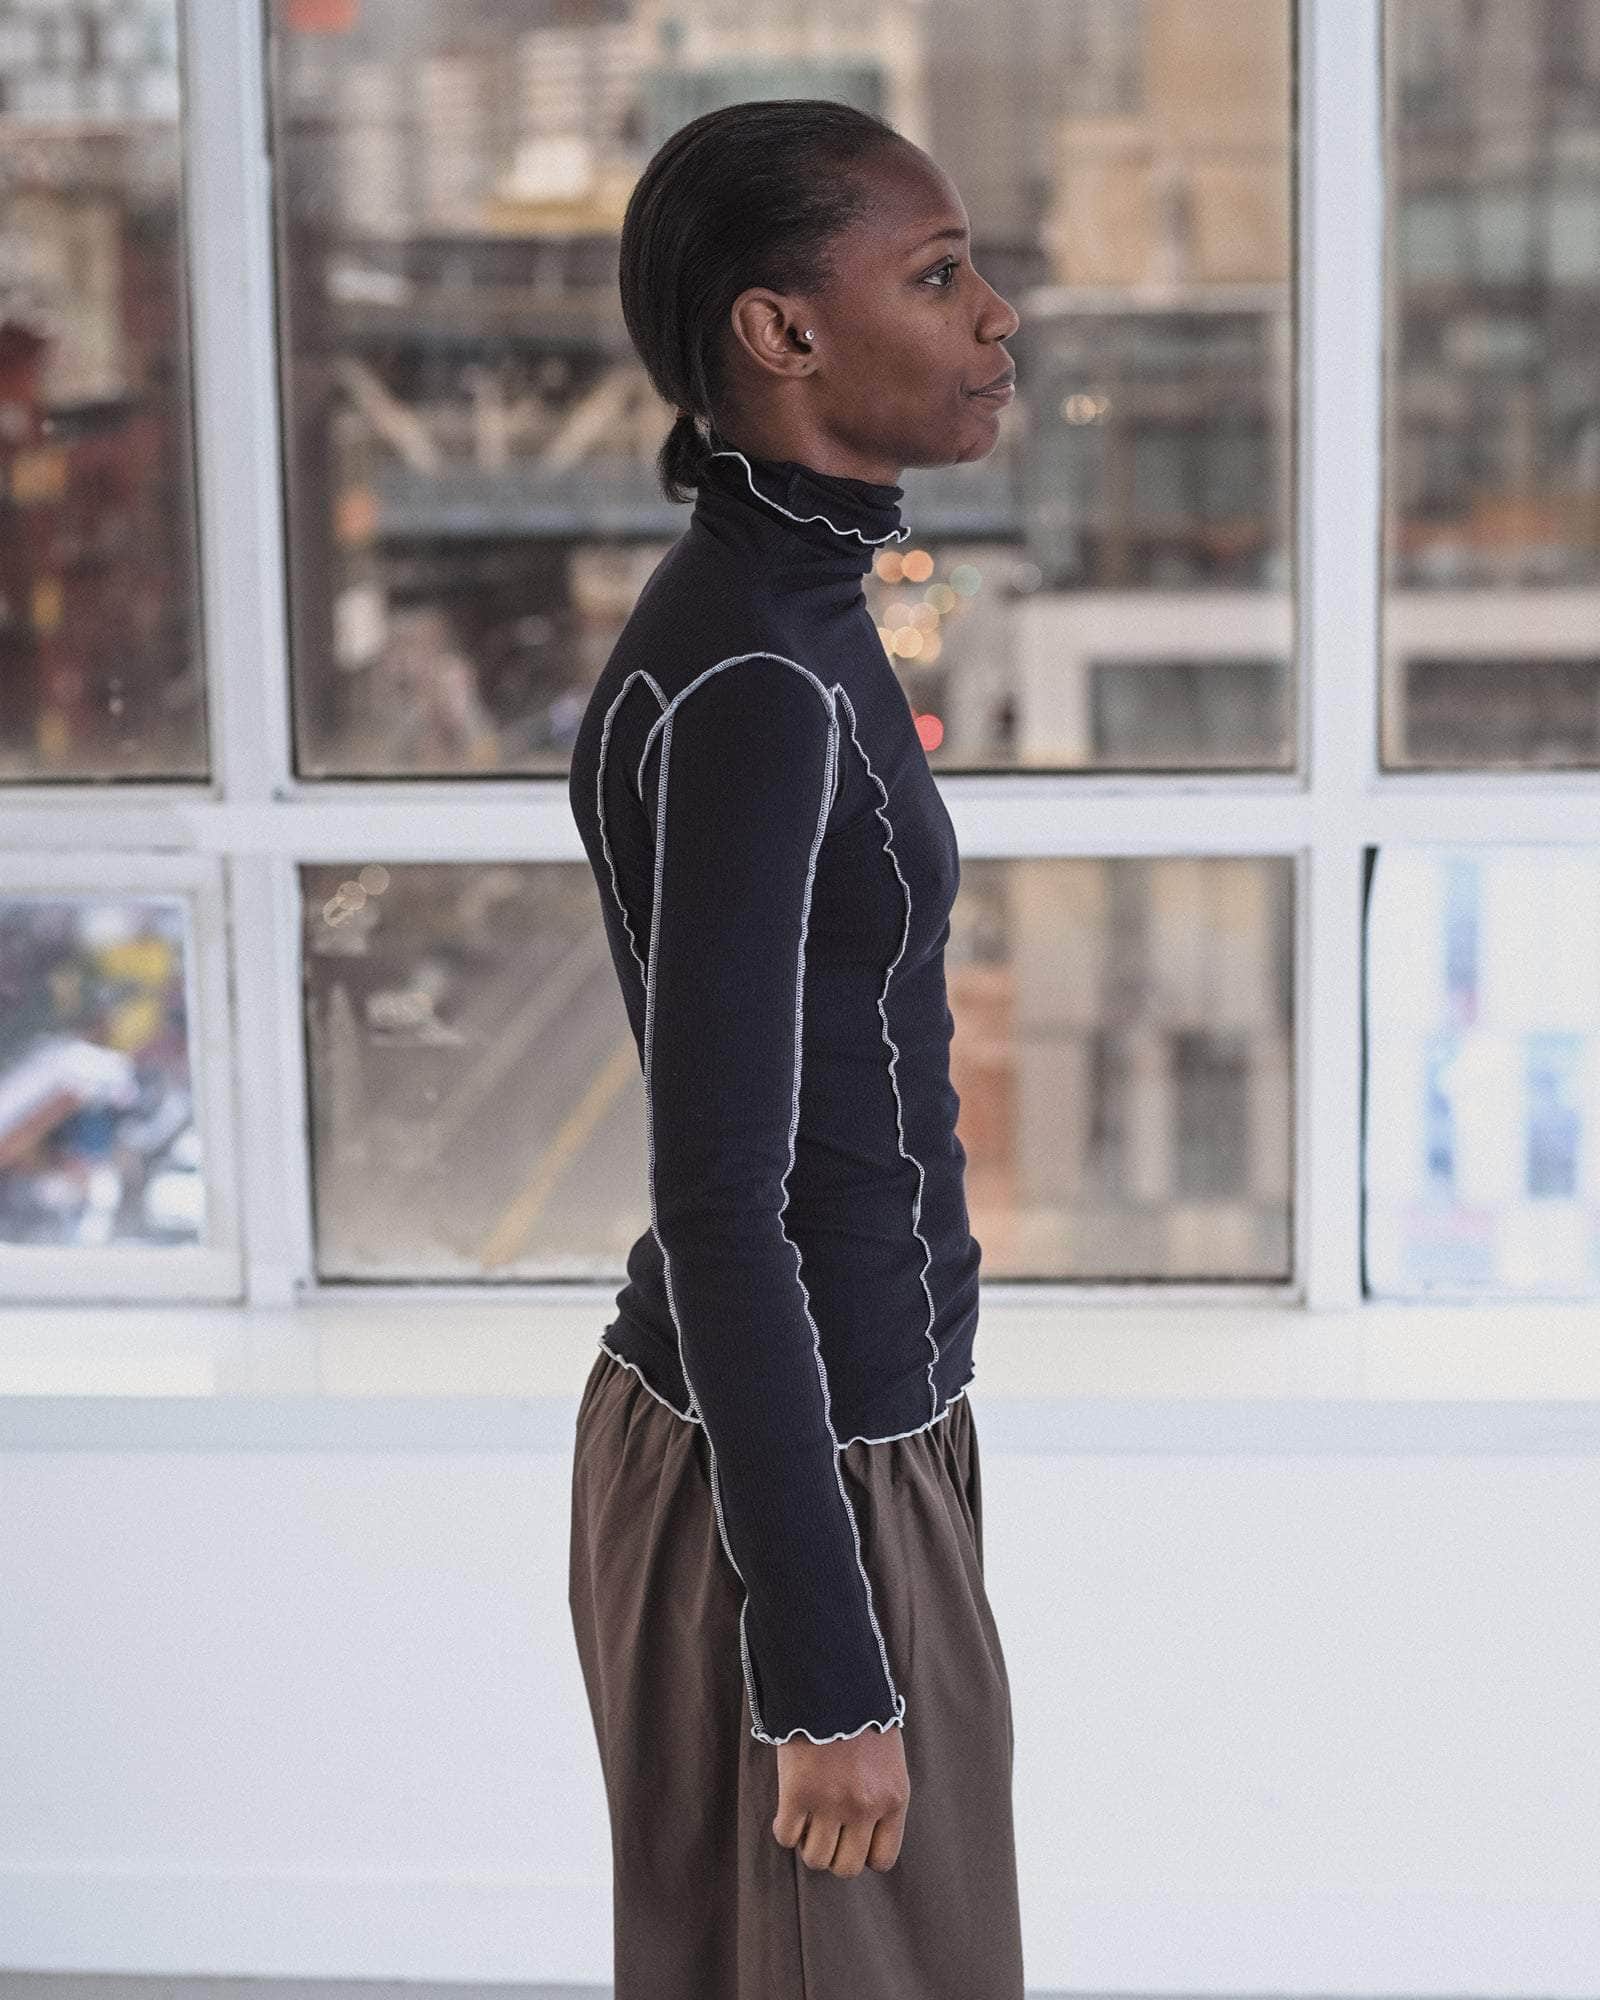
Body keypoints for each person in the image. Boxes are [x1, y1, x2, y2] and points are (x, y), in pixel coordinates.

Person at [566, 96, 1026, 2000]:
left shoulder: (782, 613)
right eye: (940, 275)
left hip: (828, 1441)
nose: (997, 315)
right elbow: (719, 1200)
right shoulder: (760, 669)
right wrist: (825, 1672)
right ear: (783, 332)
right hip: (803, 1474)